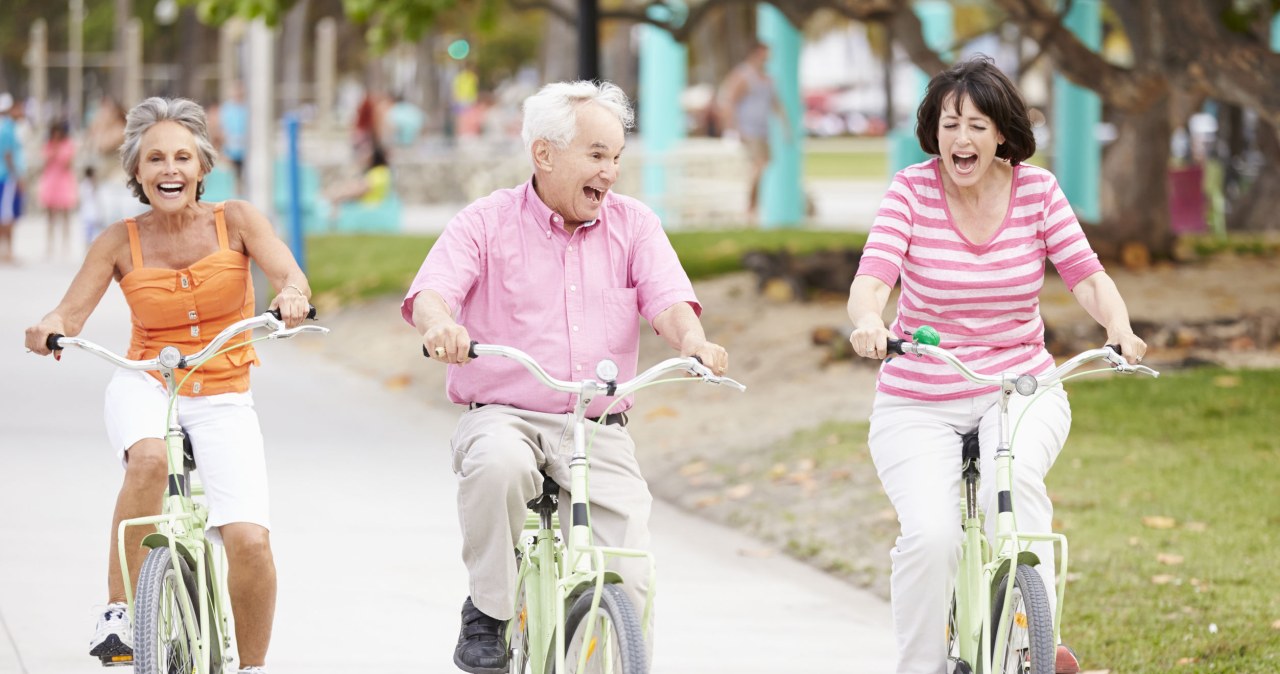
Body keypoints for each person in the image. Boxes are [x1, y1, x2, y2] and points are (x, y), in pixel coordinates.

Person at [402, 80, 730, 674]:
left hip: (597, 425)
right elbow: (432, 292)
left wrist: (694, 342)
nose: (611, 172)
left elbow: (668, 300)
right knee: (497, 463)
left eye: (617, 157)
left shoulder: (634, 224)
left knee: (630, 571)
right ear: (544, 154)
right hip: (505, 414)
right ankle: (489, 610)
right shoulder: (486, 222)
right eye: (597, 154)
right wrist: (440, 325)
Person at [846, 56, 1147, 674]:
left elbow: (1086, 276)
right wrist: (870, 321)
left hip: (1019, 386)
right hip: (919, 396)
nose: (962, 139)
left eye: (978, 126)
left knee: (1016, 492)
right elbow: (873, 278)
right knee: (932, 537)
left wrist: (1118, 328)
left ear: (1002, 133)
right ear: (934, 131)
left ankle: (1035, 646)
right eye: (950, 124)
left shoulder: (1038, 191)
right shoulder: (911, 190)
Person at [23, 97, 312, 674]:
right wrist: (47, 327)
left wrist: (291, 295)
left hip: (225, 391)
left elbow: (289, 273)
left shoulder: (237, 221)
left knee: (249, 541)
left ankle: (253, 666)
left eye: (182, 157)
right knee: (150, 462)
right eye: (155, 158)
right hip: (147, 381)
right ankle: (118, 614)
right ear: (136, 170)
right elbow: (69, 315)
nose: (170, 169)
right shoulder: (118, 240)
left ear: (203, 166)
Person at [719, 41, 790, 222]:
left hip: (763, 131)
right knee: (757, 165)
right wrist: (731, 129)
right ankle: (749, 207)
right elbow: (728, 101)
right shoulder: (743, 75)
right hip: (748, 130)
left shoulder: (767, 79)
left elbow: (776, 104)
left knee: (763, 165)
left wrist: (785, 128)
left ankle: (754, 206)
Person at [39, 119, 78, 258]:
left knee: (66, 214)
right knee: (50, 215)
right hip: (51, 180)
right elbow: (44, 162)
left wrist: (59, 152)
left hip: (64, 181)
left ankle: (65, 244)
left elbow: (69, 164)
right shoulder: (48, 144)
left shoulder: (68, 144)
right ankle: (50, 244)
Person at [324, 142, 391, 209]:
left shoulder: (379, 172)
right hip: (372, 208)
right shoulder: (382, 171)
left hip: (368, 210)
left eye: (367, 154)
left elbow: (363, 188)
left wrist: (339, 194)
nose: (364, 157)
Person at [0, 92, 26, 263]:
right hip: (7, 177)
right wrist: (17, 177)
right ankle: (7, 251)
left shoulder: (7, 127)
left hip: (5, 176)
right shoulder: (7, 129)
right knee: (7, 215)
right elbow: (8, 155)